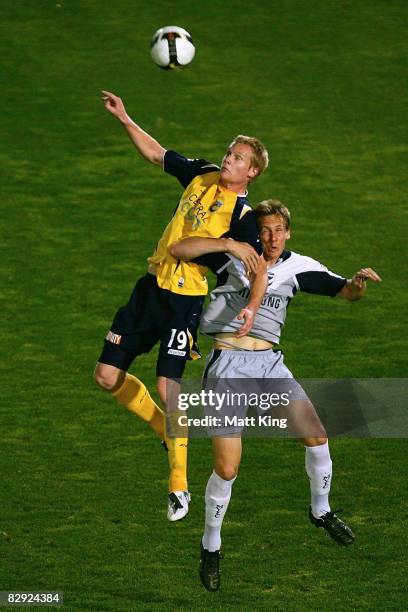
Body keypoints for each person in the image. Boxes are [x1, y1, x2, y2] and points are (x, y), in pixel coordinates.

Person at [169, 199, 381, 591]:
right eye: (265, 230)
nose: (272, 238)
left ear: (288, 233)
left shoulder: (299, 267)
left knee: (317, 436)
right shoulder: (235, 258)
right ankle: (210, 546)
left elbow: (346, 293)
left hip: (269, 366)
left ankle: (321, 511)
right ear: (256, 232)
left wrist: (357, 283)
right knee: (227, 468)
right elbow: (178, 250)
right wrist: (227, 245)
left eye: (279, 230)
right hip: (228, 366)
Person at [93, 91, 269, 521]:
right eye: (230, 151)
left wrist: (252, 305)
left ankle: (179, 487)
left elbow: (260, 267)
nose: (228, 159)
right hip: (149, 288)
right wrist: (126, 118)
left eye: (238, 157)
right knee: (105, 376)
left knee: (168, 385)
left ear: (253, 171)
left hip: (184, 298)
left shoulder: (243, 219)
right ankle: (161, 428)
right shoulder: (203, 174)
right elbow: (158, 155)